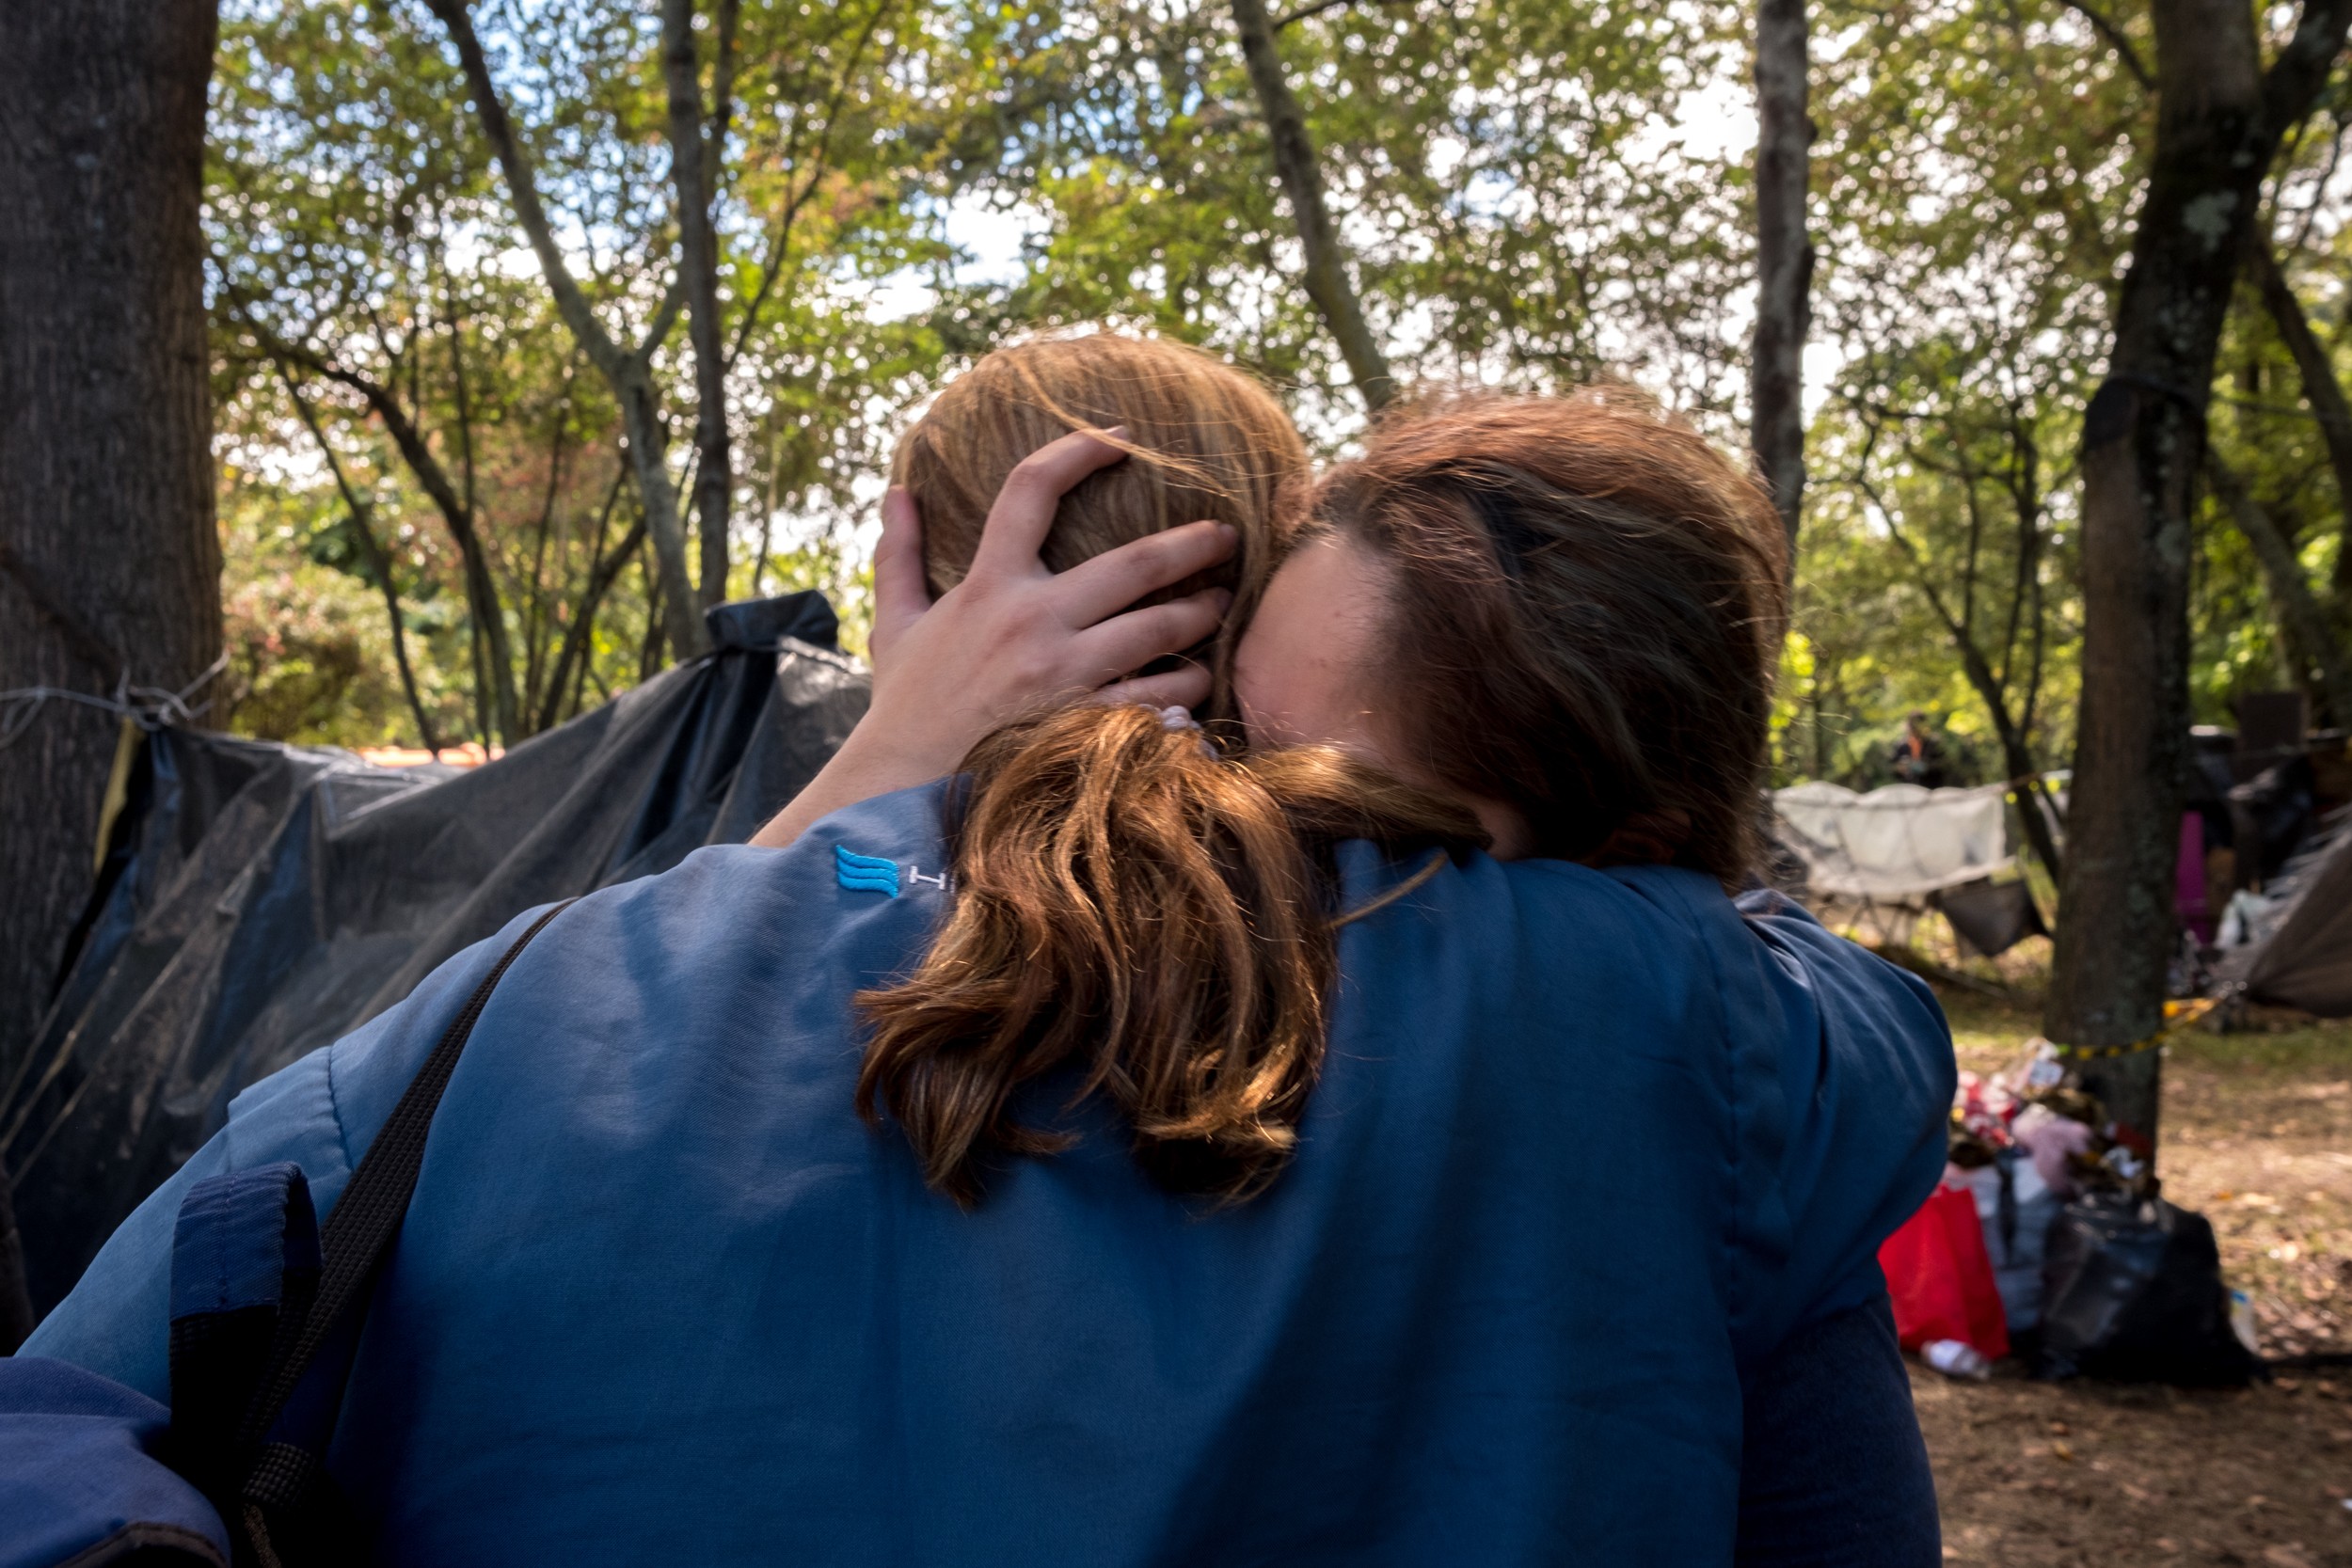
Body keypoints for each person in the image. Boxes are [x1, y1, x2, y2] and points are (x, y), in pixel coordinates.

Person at [17, 347, 1951, 1564]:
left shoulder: (523, 1024)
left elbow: (70, 1421)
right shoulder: (1698, 1033)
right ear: (1268, 588)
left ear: (917, 581)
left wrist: (865, 780)